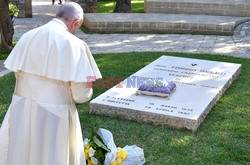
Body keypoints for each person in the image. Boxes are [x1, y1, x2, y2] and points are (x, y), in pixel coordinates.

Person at [0, 2, 102, 165]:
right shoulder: (75, 45)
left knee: (21, 153)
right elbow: (81, 95)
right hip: (55, 114)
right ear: (75, 23)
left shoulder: (28, 36)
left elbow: (17, 73)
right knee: (51, 156)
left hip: (21, 108)